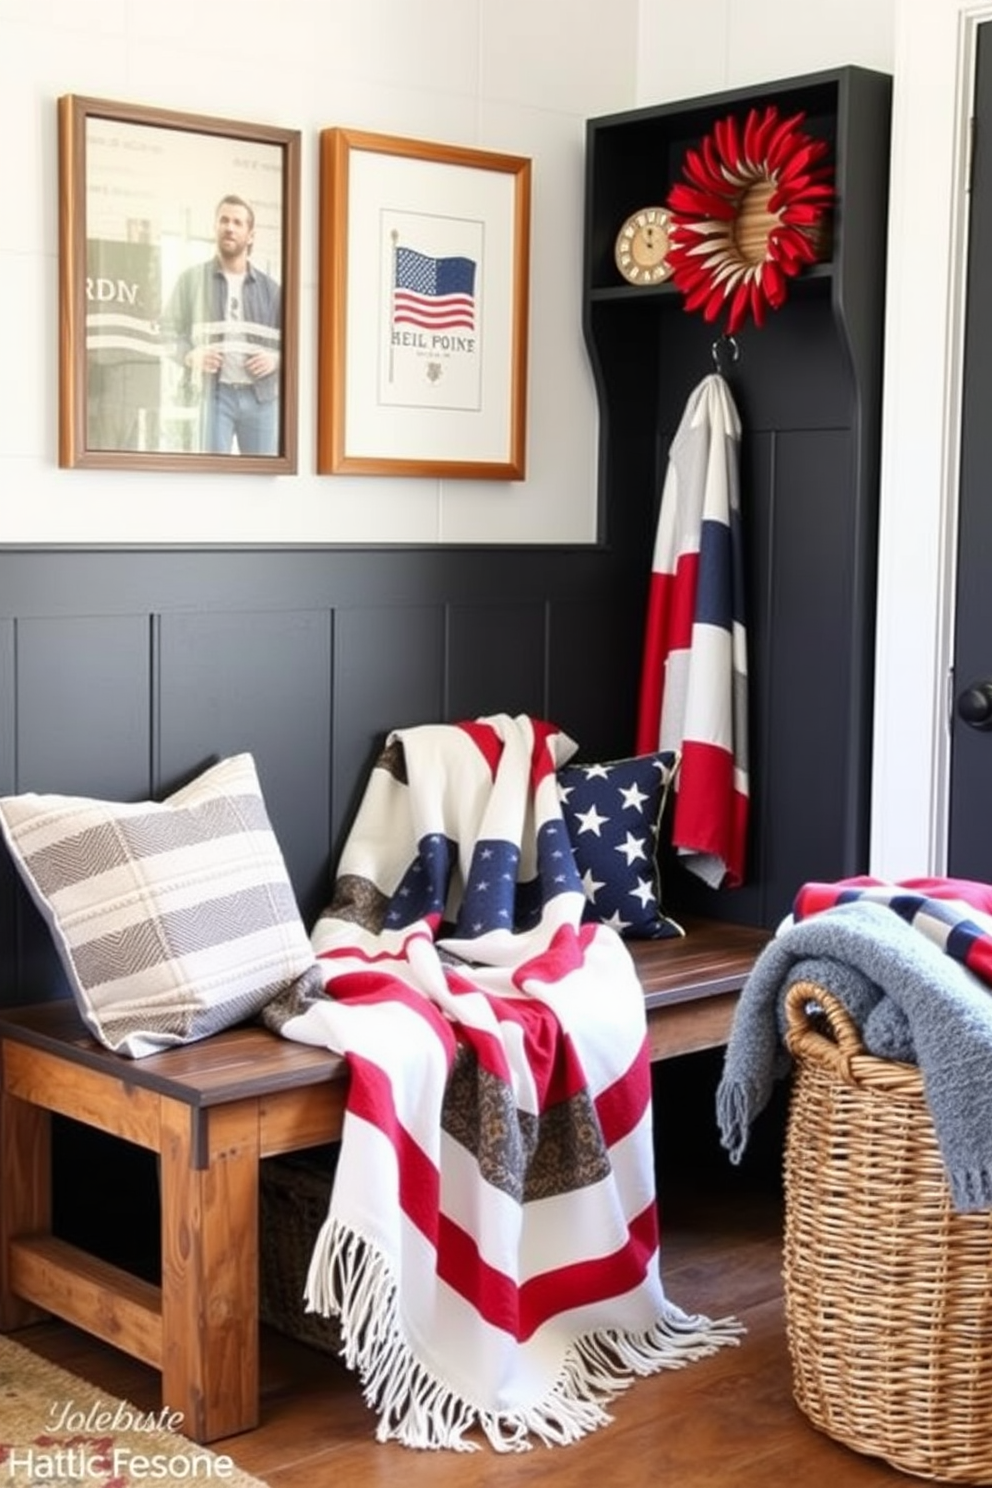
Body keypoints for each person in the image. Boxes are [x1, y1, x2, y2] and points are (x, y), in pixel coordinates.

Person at [162, 194, 281, 455]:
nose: (229, 227)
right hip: (214, 396)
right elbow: (166, 333)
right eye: (224, 220)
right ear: (215, 228)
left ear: (250, 235)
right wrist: (191, 355)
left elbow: (296, 347)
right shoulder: (191, 281)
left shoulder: (273, 291)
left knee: (261, 480)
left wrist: (276, 360)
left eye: (238, 222)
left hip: (262, 399)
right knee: (211, 477)